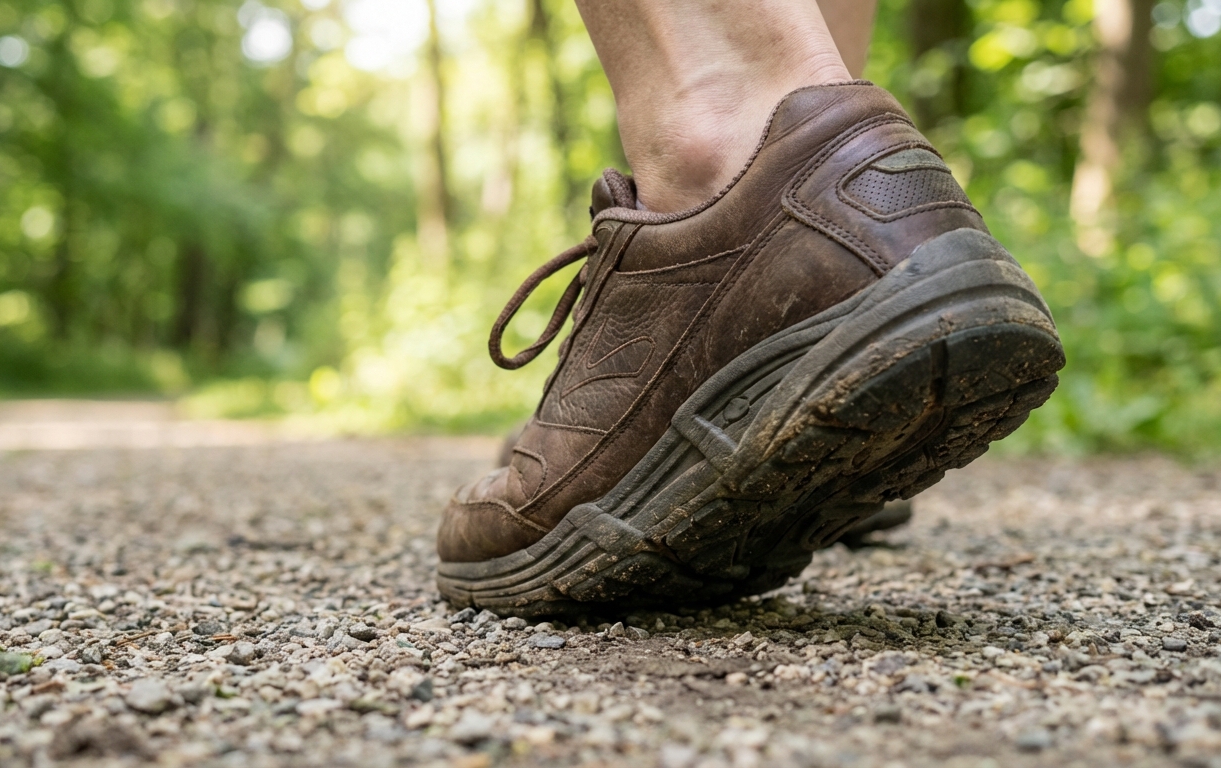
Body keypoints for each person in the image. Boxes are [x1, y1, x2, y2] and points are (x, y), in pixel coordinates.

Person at [436, 0, 1064, 616]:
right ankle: (836, 170)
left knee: (721, 125)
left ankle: (716, 146)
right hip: (864, 202)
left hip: (751, 184)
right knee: (804, 83)